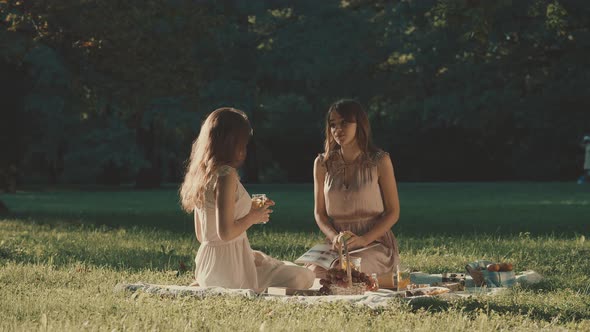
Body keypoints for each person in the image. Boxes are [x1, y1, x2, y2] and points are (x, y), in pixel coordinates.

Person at [179, 107, 314, 292]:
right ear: (232, 142)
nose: (244, 148)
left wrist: (248, 209)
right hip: (230, 272)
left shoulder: (202, 176)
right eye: (243, 142)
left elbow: (203, 235)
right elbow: (225, 233)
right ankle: (243, 283)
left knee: (268, 262)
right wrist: (253, 217)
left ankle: (210, 282)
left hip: (207, 265)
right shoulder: (226, 174)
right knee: (305, 276)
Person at [309, 99, 401, 278]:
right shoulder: (321, 164)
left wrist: (363, 240)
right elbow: (319, 213)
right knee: (311, 274)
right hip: (337, 244)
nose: (337, 130)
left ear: (359, 124)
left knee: (346, 270)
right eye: (333, 124)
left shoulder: (380, 160)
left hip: (374, 242)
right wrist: (334, 236)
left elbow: (393, 212)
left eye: (344, 122)